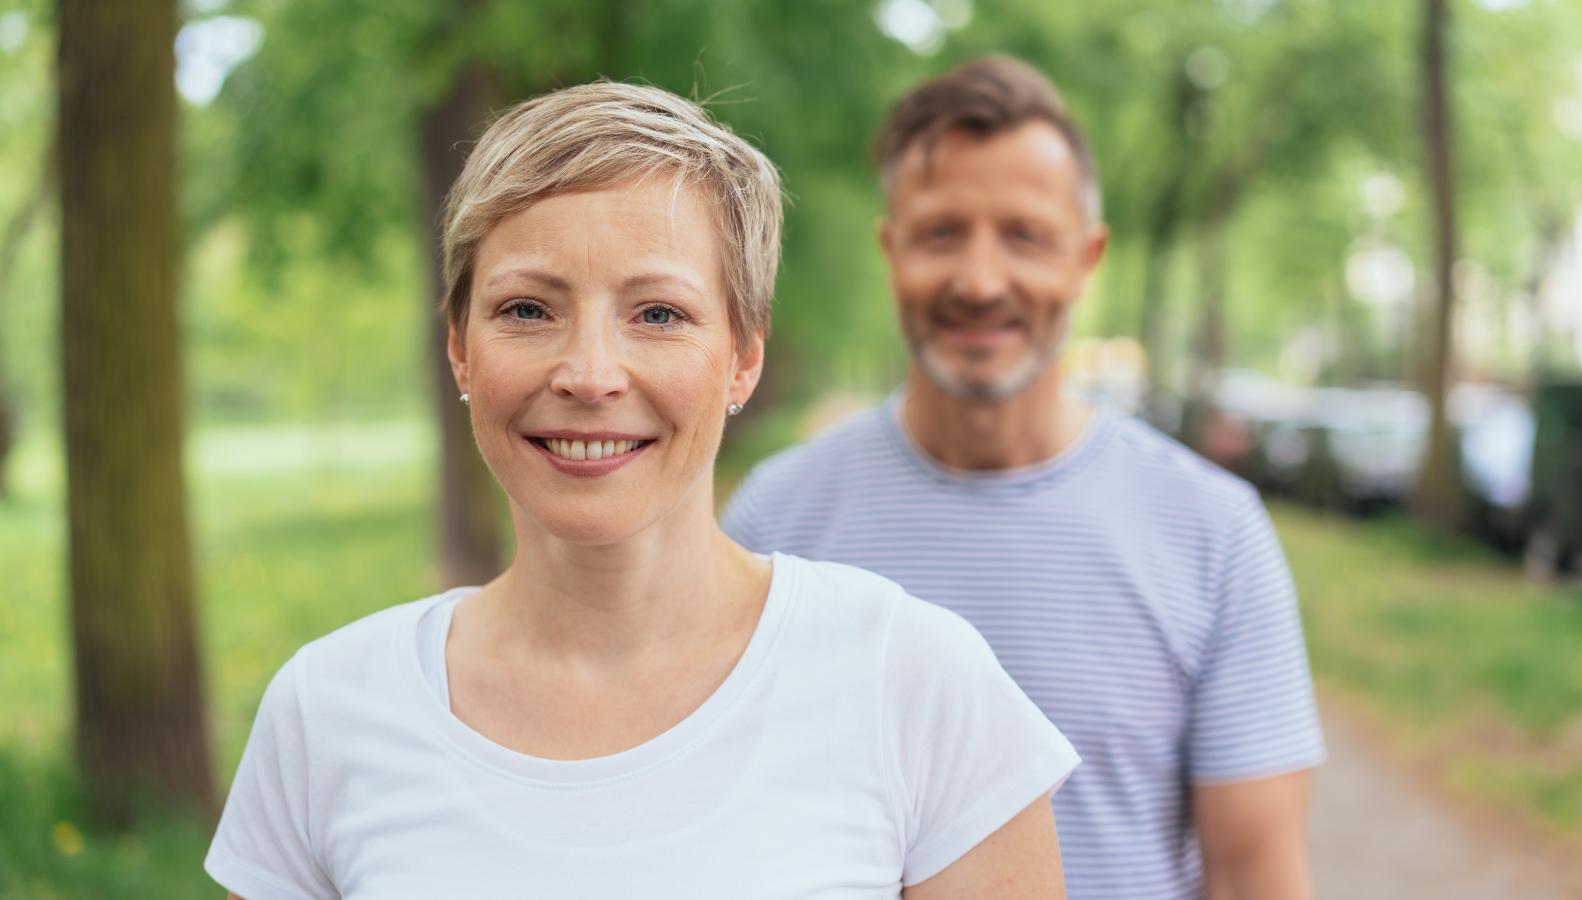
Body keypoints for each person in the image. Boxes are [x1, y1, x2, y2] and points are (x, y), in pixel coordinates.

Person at [204, 81, 1079, 900]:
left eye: (658, 314)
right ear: (460, 349)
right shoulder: (326, 712)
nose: (589, 374)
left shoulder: (917, 682)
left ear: (743, 358)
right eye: (527, 310)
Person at [722, 56, 1325, 900]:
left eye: (1025, 236)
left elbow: (1256, 877)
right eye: (941, 233)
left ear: (1087, 258)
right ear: (891, 251)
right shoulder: (773, 520)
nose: (979, 280)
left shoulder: (1214, 532)